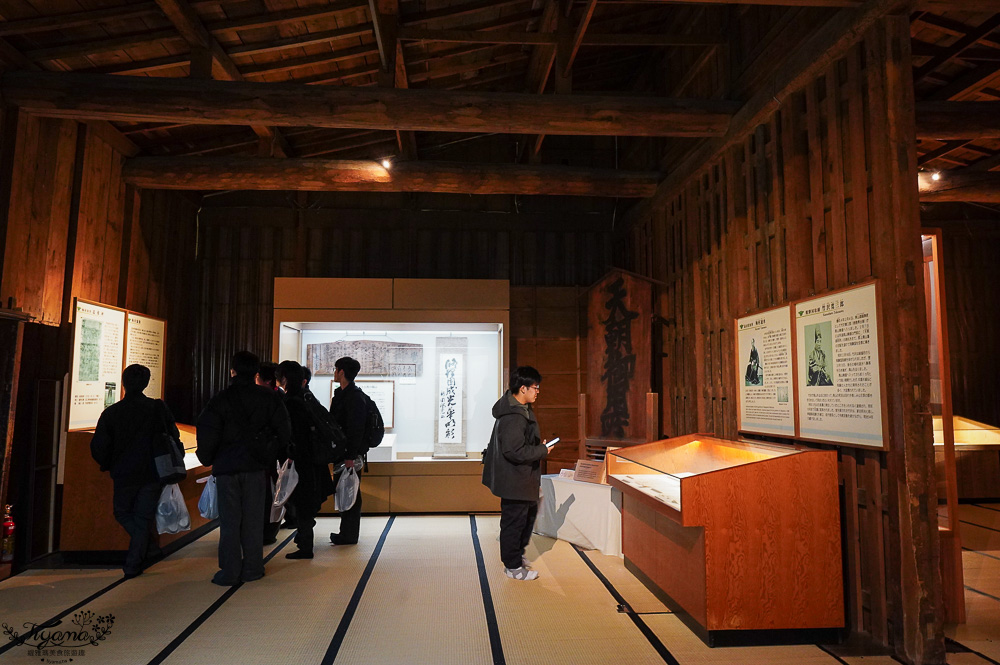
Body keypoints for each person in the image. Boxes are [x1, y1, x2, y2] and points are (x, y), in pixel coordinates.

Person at [196, 351, 291, 586]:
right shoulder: (269, 398)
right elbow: (284, 432)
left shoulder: (220, 399)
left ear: (232, 371)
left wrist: (207, 458)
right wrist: (270, 454)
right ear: (256, 373)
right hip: (256, 467)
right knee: (253, 519)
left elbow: (208, 432)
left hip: (227, 468)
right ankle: (253, 568)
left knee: (229, 522)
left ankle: (229, 571)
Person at [91, 364, 178, 579]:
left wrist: (109, 463)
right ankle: (147, 549)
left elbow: (99, 446)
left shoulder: (112, 412)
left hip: (124, 472)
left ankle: (133, 564)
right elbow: (173, 435)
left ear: (124, 383)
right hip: (153, 470)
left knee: (122, 513)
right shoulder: (157, 408)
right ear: (147, 383)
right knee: (143, 517)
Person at [482, 366, 548, 581]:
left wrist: (540, 447)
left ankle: (516, 558)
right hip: (515, 480)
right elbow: (514, 451)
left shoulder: (519, 409)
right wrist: (542, 450)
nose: (538, 392)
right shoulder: (514, 416)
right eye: (535, 388)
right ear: (523, 388)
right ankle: (512, 567)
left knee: (525, 520)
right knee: (514, 523)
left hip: (521, 478)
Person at [278, 361, 336, 559]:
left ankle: (305, 546)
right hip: (313, 460)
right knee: (306, 503)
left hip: (300, 461)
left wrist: (289, 456)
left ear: (285, 378)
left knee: (301, 503)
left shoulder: (292, 401)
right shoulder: (307, 397)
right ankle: (304, 541)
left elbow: (294, 435)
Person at [328, 356, 367, 546]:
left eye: (335, 369)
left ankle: (349, 535)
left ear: (341, 372)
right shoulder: (344, 394)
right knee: (344, 491)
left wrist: (351, 455)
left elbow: (355, 429)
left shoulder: (353, 397)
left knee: (350, 492)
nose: (334, 372)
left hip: (349, 455)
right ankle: (346, 532)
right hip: (342, 453)